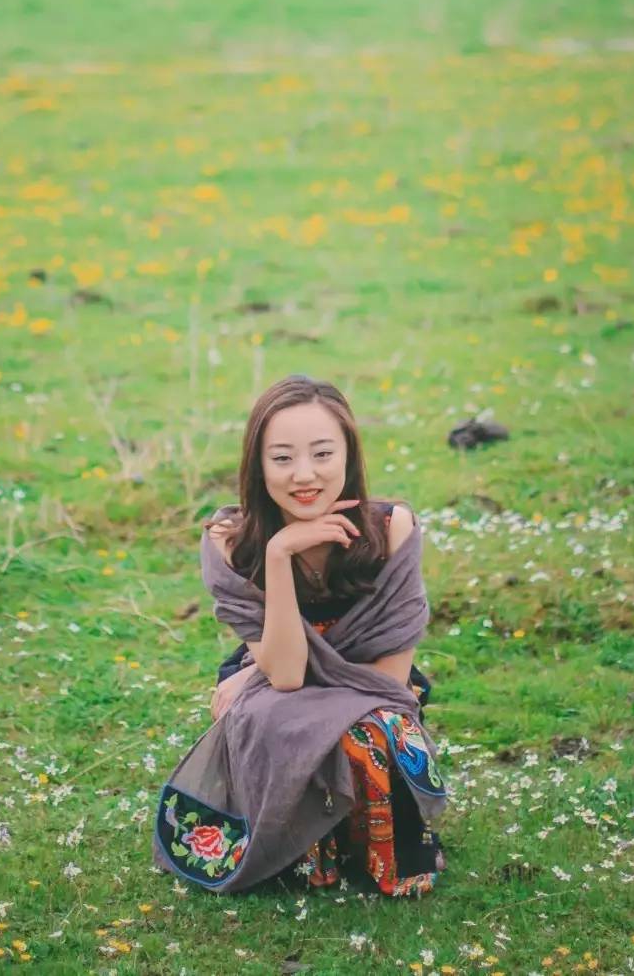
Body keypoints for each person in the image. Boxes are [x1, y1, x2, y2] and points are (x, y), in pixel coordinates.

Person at [153, 373, 448, 896]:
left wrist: (252, 679)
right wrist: (279, 555)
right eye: (283, 458)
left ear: (348, 457)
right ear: (258, 465)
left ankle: (375, 850)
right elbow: (287, 675)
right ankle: (307, 854)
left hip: (367, 689)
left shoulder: (391, 529)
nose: (304, 475)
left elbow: (388, 680)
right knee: (280, 721)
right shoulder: (231, 541)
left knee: (374, 729)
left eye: (322, 454)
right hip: (280, 679)